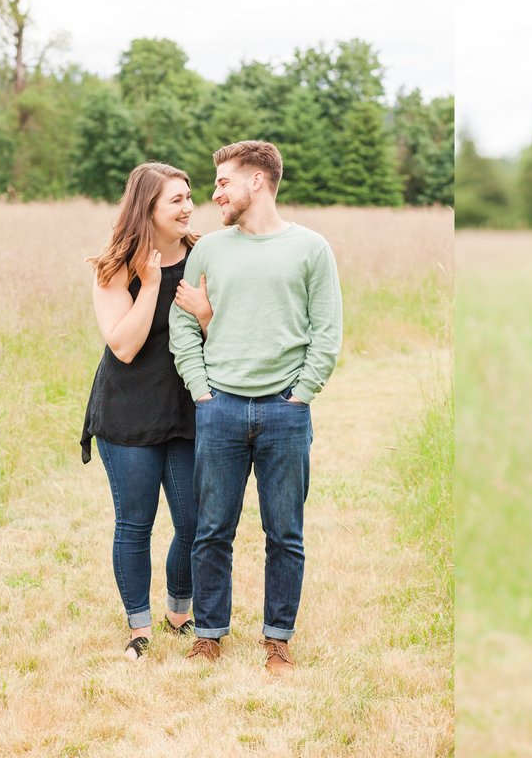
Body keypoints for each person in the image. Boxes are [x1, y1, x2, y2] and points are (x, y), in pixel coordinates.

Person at [169, 140, 342, 673]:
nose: (215, 192)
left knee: (284, 532)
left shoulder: (311, 248)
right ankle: (210, 634)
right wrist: (200, 390)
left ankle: (277, 638)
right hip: (218, 406)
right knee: (212, 529)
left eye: (223, 181)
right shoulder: (209, 251)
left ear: (257, 182)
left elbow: (326, 333)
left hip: (285, 413)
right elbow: (182, 324)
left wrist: (301, 395)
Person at [81, 162, 212, 660]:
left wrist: (205, 313)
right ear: (148, 208)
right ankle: (139, 627)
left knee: (195, 523)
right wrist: (153, 284)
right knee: (135, 524)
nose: (189, 207)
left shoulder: (206, 256)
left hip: (187, 410)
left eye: (189, 196)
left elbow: (224, 334)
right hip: (128, 414)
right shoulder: (115, 267)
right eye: (176, 199)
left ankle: (181, 611)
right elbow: (124, 347)